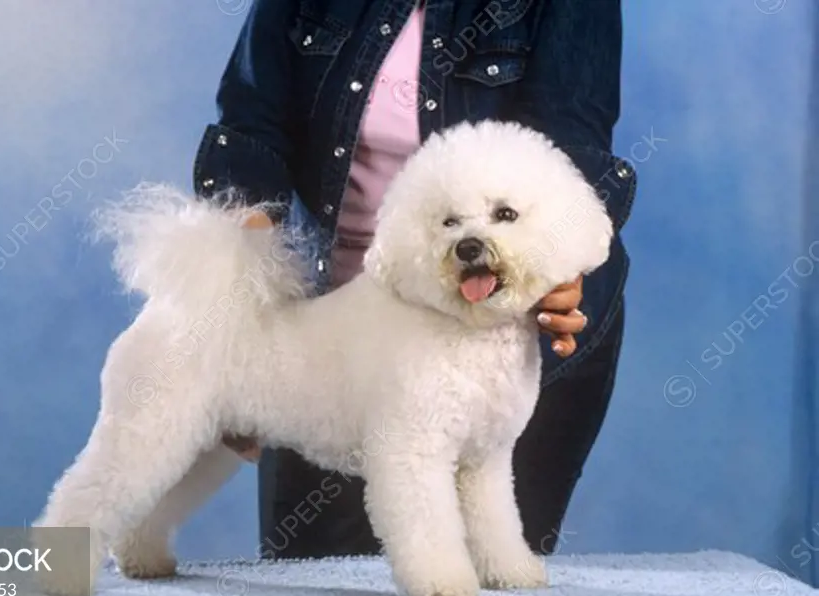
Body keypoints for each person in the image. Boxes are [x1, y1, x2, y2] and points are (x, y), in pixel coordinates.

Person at [193, 0, 636, 559]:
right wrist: (240, 318)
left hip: (519, 329)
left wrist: (561, 274)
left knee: (493, 587)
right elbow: (250, 131)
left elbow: (573, 150)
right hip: (329, 334)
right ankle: (54, 582)